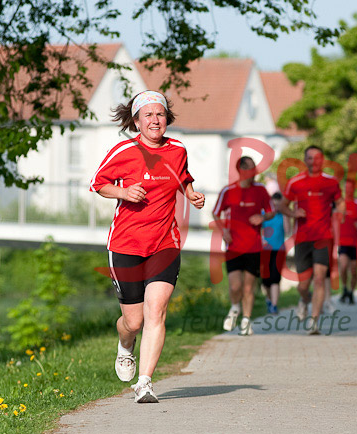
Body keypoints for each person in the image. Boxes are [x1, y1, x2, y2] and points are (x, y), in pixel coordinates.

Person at [90, 90, 205, 403]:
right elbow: (98, 183)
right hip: (126, 243)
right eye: (148, 115)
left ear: (167, 118)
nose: (155, 120)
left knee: (156, 310)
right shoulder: (124, 151)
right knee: (134, 322)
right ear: (137, 121)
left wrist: (191, 194)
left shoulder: (178, 150)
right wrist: (124, 193)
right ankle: (125, 345)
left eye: (160, 114)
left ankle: (144, 383)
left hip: (165, 243)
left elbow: (182, 177)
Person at [279, 146, 342, 335]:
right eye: (310, 158)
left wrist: (340, 214)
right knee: (303, 285)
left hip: (324, 237)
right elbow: (282, 205)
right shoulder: (295, 182)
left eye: (317, 158)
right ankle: (304, 299)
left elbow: (339, 202)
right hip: (302, 238)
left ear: (322, 160)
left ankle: (314, 322)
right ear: (305, 160)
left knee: (320, 279)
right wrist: (293, 213)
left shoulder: (330, 182)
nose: (313, 161)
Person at [213, 156, 274, 335]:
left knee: (248, 287)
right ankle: (235, 307)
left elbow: (271, 211)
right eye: (250, 168)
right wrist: (224, 231)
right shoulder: (228, 191)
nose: (254, 172)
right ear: (240, 170)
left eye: (255, 168)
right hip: (233, 246)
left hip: (254, 246)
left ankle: (246, 321)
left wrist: (262, 217)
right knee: (235, 286)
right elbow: (216, 213)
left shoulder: (261, 190)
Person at [261, 192, 289, 315]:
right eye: (274, 205)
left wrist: (286, 214)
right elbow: (258, 229)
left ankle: (274, 305)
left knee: (275, 278)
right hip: (265, 250)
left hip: (279, 250)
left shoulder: (283, 216)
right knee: (265, 280)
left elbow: (288, 230)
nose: (276, 207)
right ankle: (269, 299)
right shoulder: (264, 214)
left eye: (278, 205)